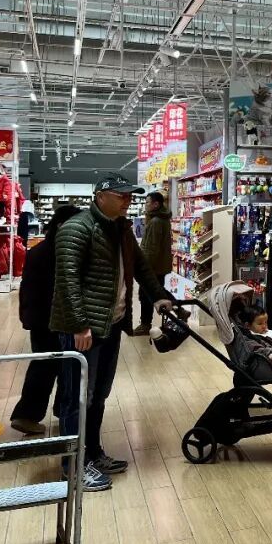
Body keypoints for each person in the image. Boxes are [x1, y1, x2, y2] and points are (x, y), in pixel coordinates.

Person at [51, 175, 174, 492]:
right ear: (100, 196)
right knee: (77, 398)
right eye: (121, 196)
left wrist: (158, 296)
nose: (127, 201)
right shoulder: (77, 228)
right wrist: (79, 324)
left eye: (130, 196)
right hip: (83, 329)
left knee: (98, 395)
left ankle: (92, 453)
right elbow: (67, 280)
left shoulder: (122, 229)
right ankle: (73, 467)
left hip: (111, 324)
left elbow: (141, 266)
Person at [9, 204, 81, 436]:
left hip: (40, 319)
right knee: (54, 366)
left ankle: (48, 412)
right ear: (62, 226)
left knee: (49, 364)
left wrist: (27, 315)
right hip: (53, 319)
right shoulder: (60, 253)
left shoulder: (39, 250)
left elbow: (27, 289)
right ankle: (31, 415)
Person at [133, 191, 172, 336]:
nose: (145, 205)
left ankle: (145, 324)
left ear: (156, 204)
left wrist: (144, 267)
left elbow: (151, 248)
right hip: (160, 264)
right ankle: (180, 309)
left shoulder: (156, 221)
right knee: (157, 290)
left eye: (147, 202)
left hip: (153, 266)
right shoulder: (161, 219)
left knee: (146, 294)